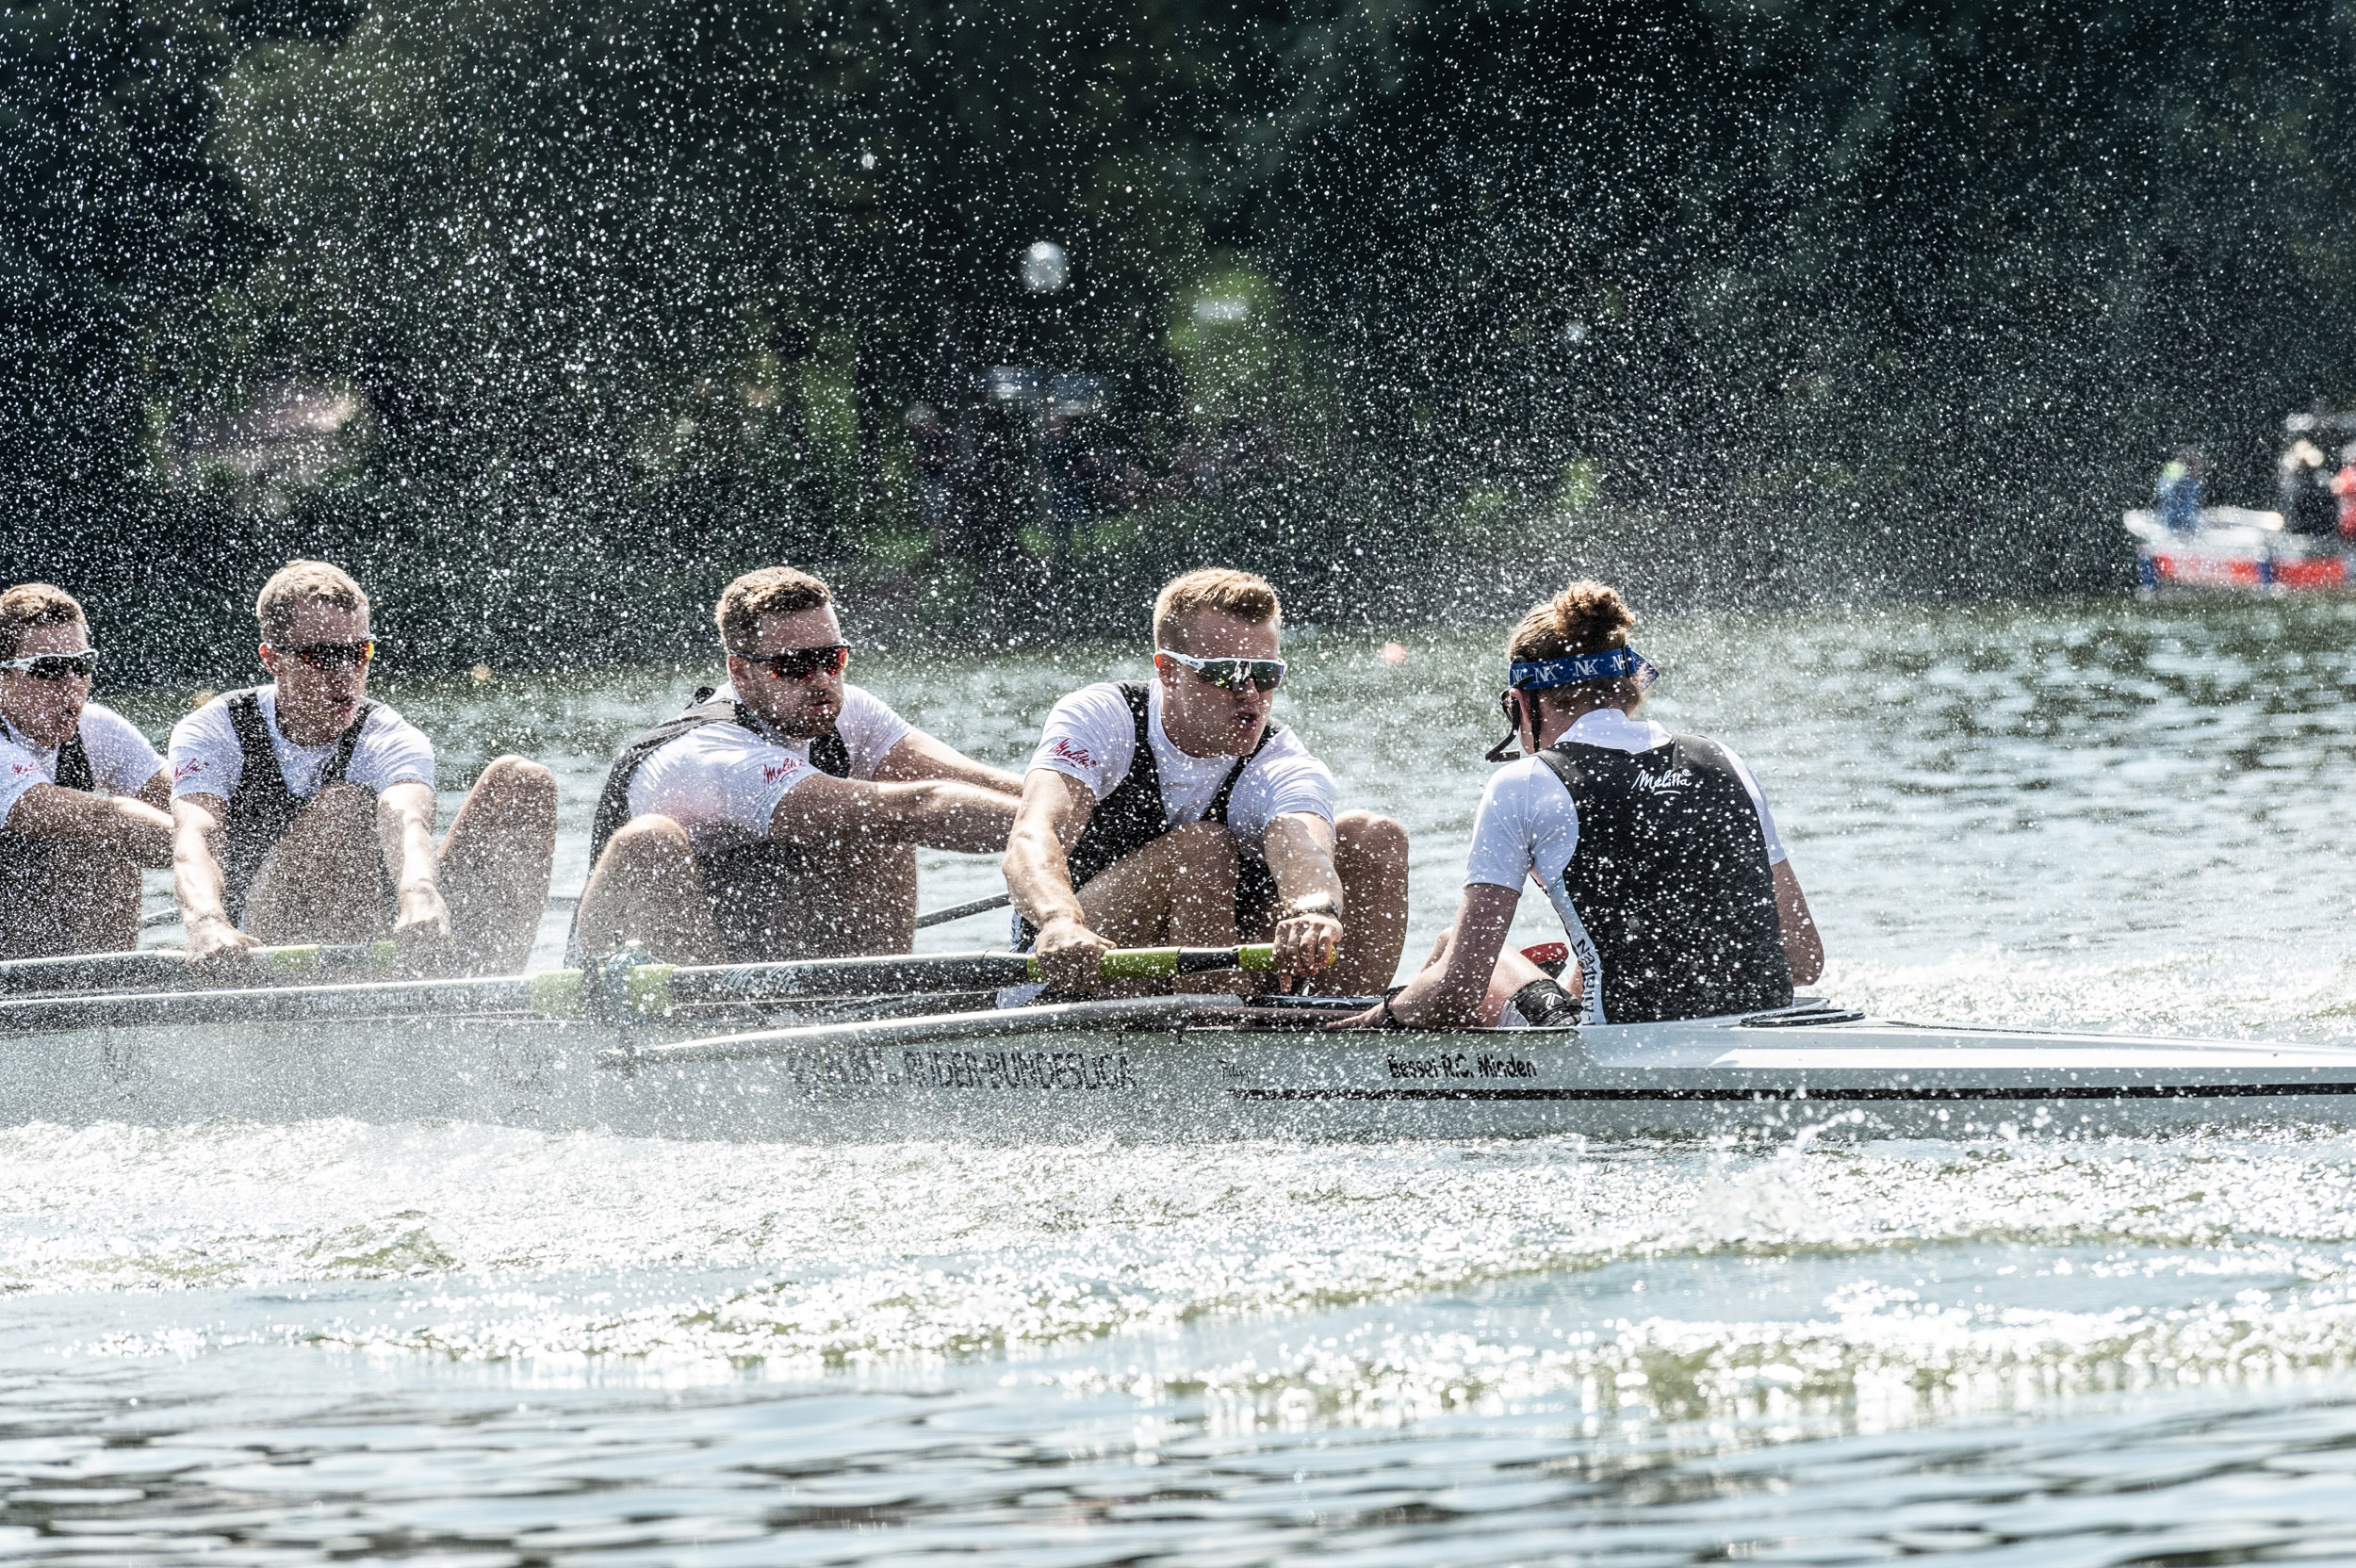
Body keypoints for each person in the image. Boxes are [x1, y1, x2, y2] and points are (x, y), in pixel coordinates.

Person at [1336, 580, 1822, 1031]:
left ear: (1524, 703)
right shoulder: (1723, 760)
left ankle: (1401, 1074)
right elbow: (1803, 959)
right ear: (1628, 690)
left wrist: (1362, 1026)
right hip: (1760, 1033)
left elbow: (1458, 988)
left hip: (1621, 1048)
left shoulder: (1526, 783)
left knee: (1452, 948)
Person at [573, 565, 1023, 964]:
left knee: (870, 816)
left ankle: (871, 1007)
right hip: (633, 972)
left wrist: (1085, 806)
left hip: (753, 940)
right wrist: (1056, 833)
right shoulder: (713, 753)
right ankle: (713, 1026)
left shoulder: (848, 711)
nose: (822, 681)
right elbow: (922, 807)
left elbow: (976, 782)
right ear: (740, 672)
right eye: (793, 667)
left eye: (833, 659)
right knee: (651, 838)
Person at [1004, 567, 1410, 998]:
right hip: (1074, 963)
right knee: (1203, 847)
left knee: (1374, 837)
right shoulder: (1103, 717)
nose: (1251, 694)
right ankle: (1218, 1022)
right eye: (1227, 673)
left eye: (1266, 674)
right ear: (1168, 671)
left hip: (1207, 959)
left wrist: (1313, 909)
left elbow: (1304, 850)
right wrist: (1059, 921)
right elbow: (1033, 835)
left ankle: (1339, 1028)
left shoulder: (1282, 759)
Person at [169, 560, 557, 973]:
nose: (346, 673)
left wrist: (420, 892)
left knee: (523, 781)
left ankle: (487, 993)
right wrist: (206, 921)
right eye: (323, 657)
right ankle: (358, 998)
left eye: (359, 652)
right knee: (344, 805)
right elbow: (195, 835)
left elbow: (408, 823)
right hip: (260, 937)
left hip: (383, 917)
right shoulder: (216, 728)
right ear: (272, 659)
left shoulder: (388, 735)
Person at [0, 583, 173, 959]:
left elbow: (188, 801)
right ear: (3, 677)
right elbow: (106, 819)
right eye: (48, 669)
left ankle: (105, 997)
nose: (71, 684)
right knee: (100, 840)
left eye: (82, 665)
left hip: (35, 930)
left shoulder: (96, 727)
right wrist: (211, 855)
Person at [2156, 450, 2205, 533]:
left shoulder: (2174, 465)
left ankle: (2178, 527)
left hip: (2178, 487)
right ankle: (2182, 527)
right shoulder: (2181, 469)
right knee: (2183, 507)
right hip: (2182, 486)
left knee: (2178, 507)